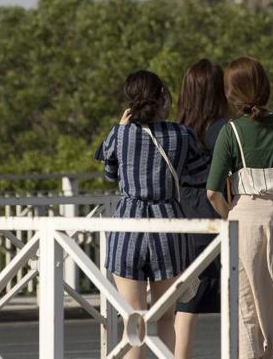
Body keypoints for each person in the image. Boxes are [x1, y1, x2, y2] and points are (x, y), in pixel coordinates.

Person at [206, 56, 273, 359]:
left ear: (231, 94)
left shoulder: (231, 132)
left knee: (246, 302)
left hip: (245, 217)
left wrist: (232, 217)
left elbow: (213, 192)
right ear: (265, 86)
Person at [95, 70, 209, 359]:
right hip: (168, 226)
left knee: (132, 323)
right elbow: (198, 172)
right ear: (162, 97)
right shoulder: (181, 135)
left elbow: (110, 174)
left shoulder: (118, 134)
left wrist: (121, 130)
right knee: (166, 318)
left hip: (128, 228)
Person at [173, 59, 232, 359]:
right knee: (236, 299)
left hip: (182, 222)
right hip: (216, 221)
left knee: (186, 304)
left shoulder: (176, 131)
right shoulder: (222, 129)